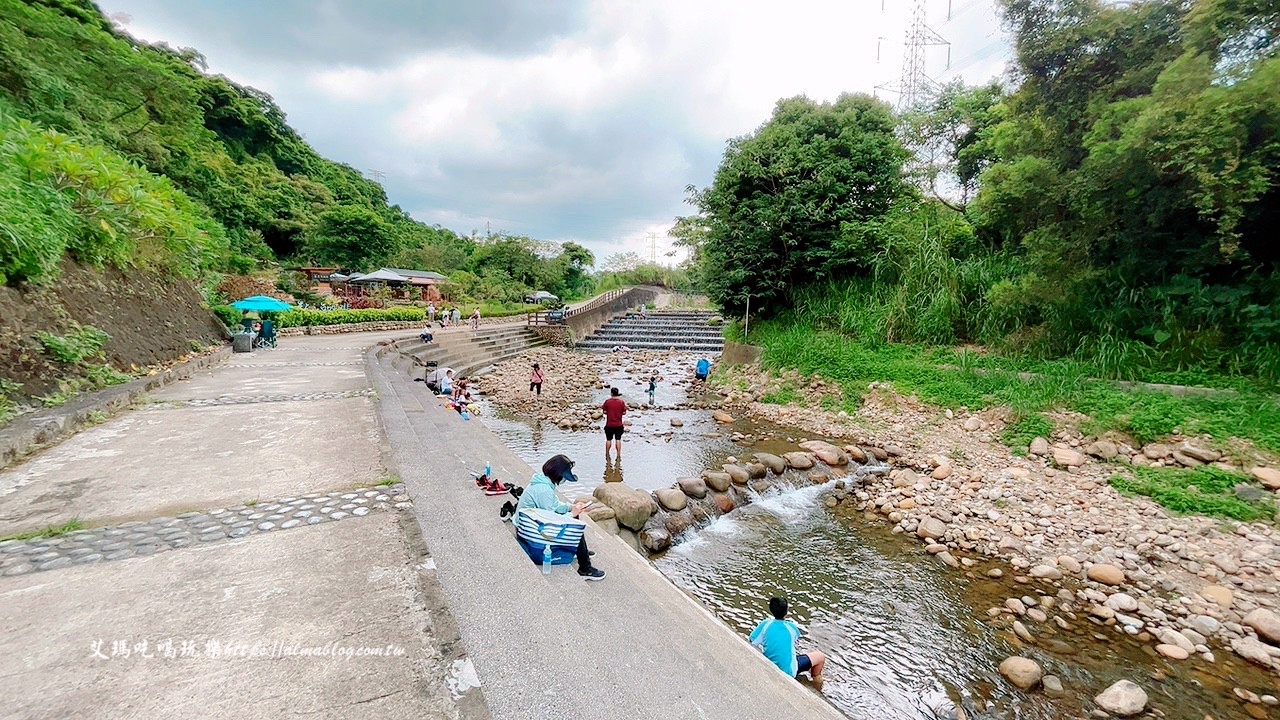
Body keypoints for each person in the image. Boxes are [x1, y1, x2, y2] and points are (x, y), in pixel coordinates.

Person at [515, 454, 604, 581]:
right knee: (574, 524)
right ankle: (585, 568)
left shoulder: (543, 481)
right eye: (564, 476)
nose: (564, 479)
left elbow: (554, 505)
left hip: (527, 524)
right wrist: (572, 514)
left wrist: (571, 507)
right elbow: (551, 521)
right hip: (526, 531)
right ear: (558, 474)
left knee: (574, 515)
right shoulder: (544, 490)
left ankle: (578, 550)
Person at [749, 597, 826, 689]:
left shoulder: (765, 624)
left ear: (771, 610)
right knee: (820, 656)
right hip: (789, 672)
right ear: (786, 612)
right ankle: (817, 682)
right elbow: (794, 640)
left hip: (770, 663)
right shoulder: (792, 628)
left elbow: (752, 641)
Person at [601, 387, 626, 458]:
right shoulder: (621, 402)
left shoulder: (607, 402)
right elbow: (624, 412)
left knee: (608, 439)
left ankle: (607, 453)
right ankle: (618, 454)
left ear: (611, 393)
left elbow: (604, 411)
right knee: (618, 439)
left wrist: (609, 413)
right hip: (619, 424)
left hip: (609, 424)